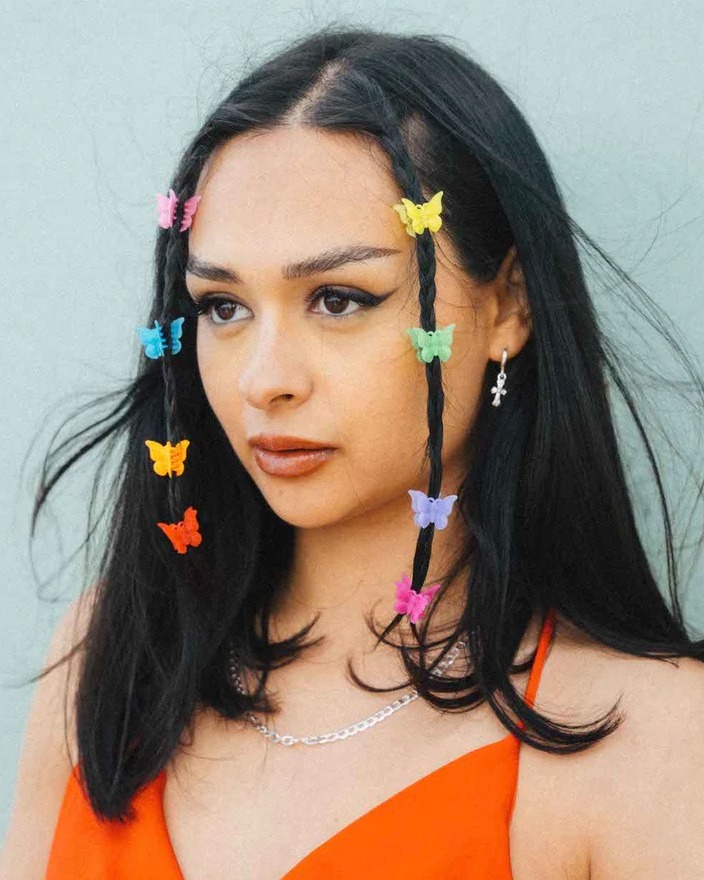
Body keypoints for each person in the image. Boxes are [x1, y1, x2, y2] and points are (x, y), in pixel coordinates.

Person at [3, 25, 704, 880]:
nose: (264, 380)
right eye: (223, 307)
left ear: (509, 307)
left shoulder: (652, 741)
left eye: (337, 299)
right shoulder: (109, 656)